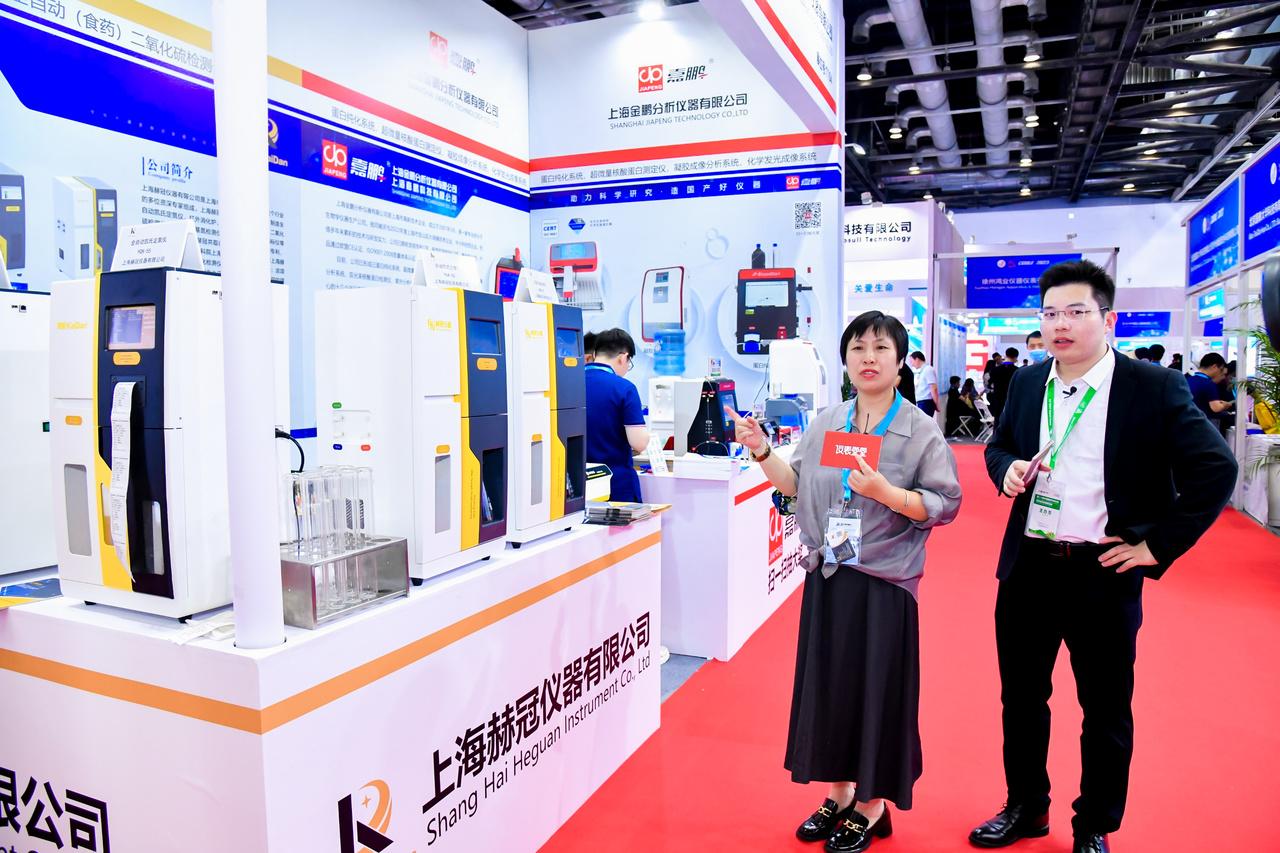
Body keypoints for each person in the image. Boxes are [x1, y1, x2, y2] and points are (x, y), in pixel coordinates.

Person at [974, 260, 1237, 853]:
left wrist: (1157, 545)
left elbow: (1216, 469)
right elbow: (1000, 446)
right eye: (1050, 313)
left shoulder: (1152, 386)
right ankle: (1025, 807)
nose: (1060, 324)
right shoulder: (1027, 382)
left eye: (1076, 311)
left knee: (1105, 708)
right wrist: (1006, 468)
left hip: (1103, 572)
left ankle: (1093, 824)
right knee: (1021, 699)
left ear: (1108, 319)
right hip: (1029, 567)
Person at [726, 311, 962, 853]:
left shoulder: (918, 429)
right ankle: (838, 794)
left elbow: (944, 503)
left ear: (900, 363)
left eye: (881, 348)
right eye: (858, 348)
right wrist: (761, 450)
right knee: (831, 687)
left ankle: (873, 805)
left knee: (876, 691)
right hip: (829, 571)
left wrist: (886, 494)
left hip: (884, 579)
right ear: (845, 360)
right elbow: (795, 484)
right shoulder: (829, 421)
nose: (868, 358)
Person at [584, 328, 649, 502]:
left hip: (577, 485)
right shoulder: (624, 388)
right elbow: (640, 443)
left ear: (595, 354)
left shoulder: (567, 385)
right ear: (623, 357)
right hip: (616, 485)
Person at [1187, 352, 1233, 425]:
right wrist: (1225, 405)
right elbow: (1216, 408)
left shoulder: (1189, 380)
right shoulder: (1209, 384)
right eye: (1222, 374)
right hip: (1207, 423)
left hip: (1191, 421)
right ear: (1215, 367)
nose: (1222, 378)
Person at [987, 349, 1019, 423]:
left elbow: (990, 384)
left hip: (998, 399)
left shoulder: (995, 370)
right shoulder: (1017, 371)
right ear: (1016, 357)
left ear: (1005, 356)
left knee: (998, 420)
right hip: (1012, 400)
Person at [909, 351, 940, 417]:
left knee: (924, 422)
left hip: (926, 402)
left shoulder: (928, 370)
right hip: (922, 402)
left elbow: (933, 387)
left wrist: (936, 404)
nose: (912, 364)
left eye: (912, 361)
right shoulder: (923, 370)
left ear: (917, 359)